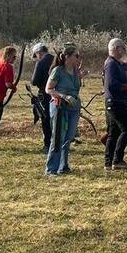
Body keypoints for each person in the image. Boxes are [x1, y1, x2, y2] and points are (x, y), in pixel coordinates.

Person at [45, 45, 82, 176]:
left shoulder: (76, 71)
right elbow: (48, 89)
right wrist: (64, 96)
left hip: (74, 108)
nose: (78, 58)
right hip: (60, 108)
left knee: (68, 137)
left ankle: (63, 166)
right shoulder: (58, 71)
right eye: (76, 56)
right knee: (58, 138)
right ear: (67, 57)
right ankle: (51, 169)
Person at [104, 38, 127, 170]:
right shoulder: (111, 64)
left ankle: (108, 163)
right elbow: (112, 85)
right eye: (123, 48)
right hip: (115, 102)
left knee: (114, 133)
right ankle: (117, 160)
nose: (124, 50)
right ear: (117, 48)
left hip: (117, 102)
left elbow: (120, 81)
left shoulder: (117, 64)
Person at [30, 43, 54, 152]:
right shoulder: (57, 60)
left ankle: (48, 144)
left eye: (36, 55)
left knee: (46, 118)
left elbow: (34, 81)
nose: (37, 57)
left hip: (45, 94)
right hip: (58, 93)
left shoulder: (41, 62)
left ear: (39, 52)